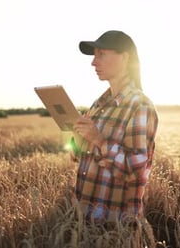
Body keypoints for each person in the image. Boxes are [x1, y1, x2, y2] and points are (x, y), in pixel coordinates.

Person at [72, 30, 159, 228]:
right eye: (94, 56)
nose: (93, 62)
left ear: (125, 58)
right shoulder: (98, 104)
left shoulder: (140, 106)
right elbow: (81, 157)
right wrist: (77, 141)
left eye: (101, 54)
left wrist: (99, 140)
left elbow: (135, 171)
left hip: (115, 225)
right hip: (83, 219)